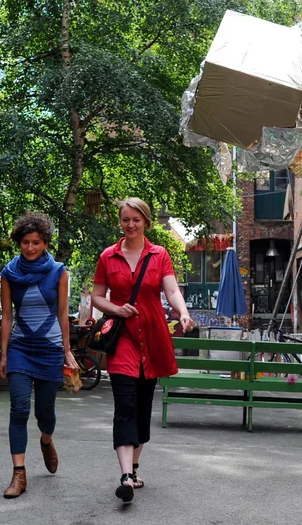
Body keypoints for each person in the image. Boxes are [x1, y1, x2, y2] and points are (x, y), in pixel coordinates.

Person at [91, 197, 194, 503]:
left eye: (136, 219)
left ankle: (134, 468)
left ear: (146, 221)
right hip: (122, 338)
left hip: (151, 338)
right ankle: (125, 476)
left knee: (143, 405)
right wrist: (116, 309)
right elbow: (97, 296)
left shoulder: (159, 255)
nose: (131, 225)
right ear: (120, 222)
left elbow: (171, 289)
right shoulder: (108, 256)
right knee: (125, 404)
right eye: (126, 219)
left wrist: (183, 312)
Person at [0, 212, 78, 498]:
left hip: (50, 349)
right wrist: (4, 354)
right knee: (19, 408)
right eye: (25, 242)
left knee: (45, 413)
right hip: (20, 348)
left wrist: (66, 350)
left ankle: (46, 439)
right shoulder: (9, 273)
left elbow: (62, 314)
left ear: (45, 243)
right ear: (19, 243)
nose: (30, 248)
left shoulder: (58, 271)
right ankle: (19, 474)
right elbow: (7, 316)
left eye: (36, 242)